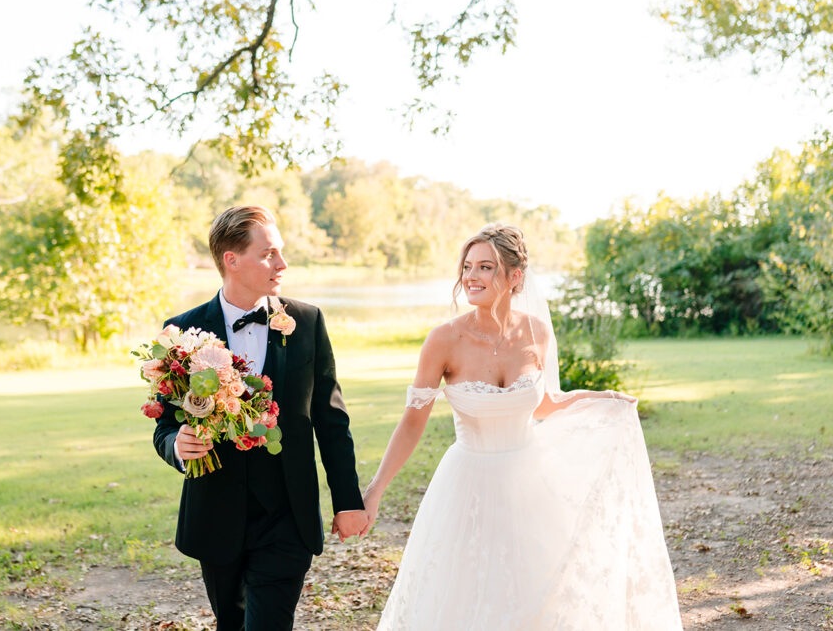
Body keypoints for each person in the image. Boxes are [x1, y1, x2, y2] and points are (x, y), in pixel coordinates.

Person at [362, 223, 683, 630]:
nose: (471, 277)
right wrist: (375, 491)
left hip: (529, 484)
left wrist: (601, 400)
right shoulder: (444, 340)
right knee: (465, 594)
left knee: (536, 595)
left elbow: (544, 401)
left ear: (515, 277)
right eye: (467, 267)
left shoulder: (536, 332)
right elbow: (413, 421)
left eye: (485, 267)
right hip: (468, 485)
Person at [151, 205, 368, 631]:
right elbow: (164, 424)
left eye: (280, 252)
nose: (282, 264)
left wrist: (348, 502)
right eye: (269, 253)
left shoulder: (306, 322)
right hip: (215, 516)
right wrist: (176, 445)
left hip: (287, 515)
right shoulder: (182, 333)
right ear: (231, 260)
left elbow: (330, 420)